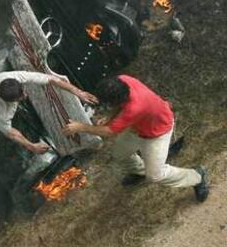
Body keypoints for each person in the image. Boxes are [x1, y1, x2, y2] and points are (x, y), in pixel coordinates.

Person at [63, 74, 209, 202]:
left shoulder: (135, 108)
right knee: (120, 154)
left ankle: (197, 177)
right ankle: (141, 171)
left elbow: (110, 131)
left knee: (155, 176)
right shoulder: (123, 80)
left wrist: (81, 127)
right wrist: (110, 117)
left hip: (157, 132)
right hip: (138, 127)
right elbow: (119, 107)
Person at [0, 70, 97, 154]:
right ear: (12, 101)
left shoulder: (14, 77)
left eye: (23, 91)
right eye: (21, 96)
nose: (25, 95)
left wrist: (78, 92)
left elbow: (51, 79)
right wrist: (31, 146)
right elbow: (9, 132)